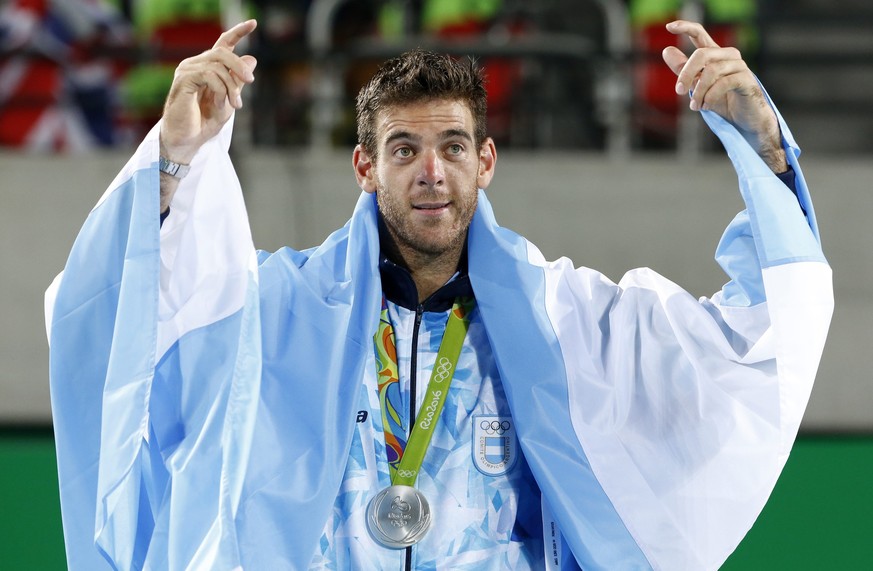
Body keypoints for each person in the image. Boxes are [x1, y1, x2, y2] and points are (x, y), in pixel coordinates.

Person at [46, 18, 833, 571]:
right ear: (365, 167)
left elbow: (758, 336)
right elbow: (109, 317)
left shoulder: (567, 322)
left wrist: (763, 149)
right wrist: (175, 155)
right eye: (403, 148)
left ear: (485, 161)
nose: (431, 171)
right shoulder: (268, 313)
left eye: (452, 145)